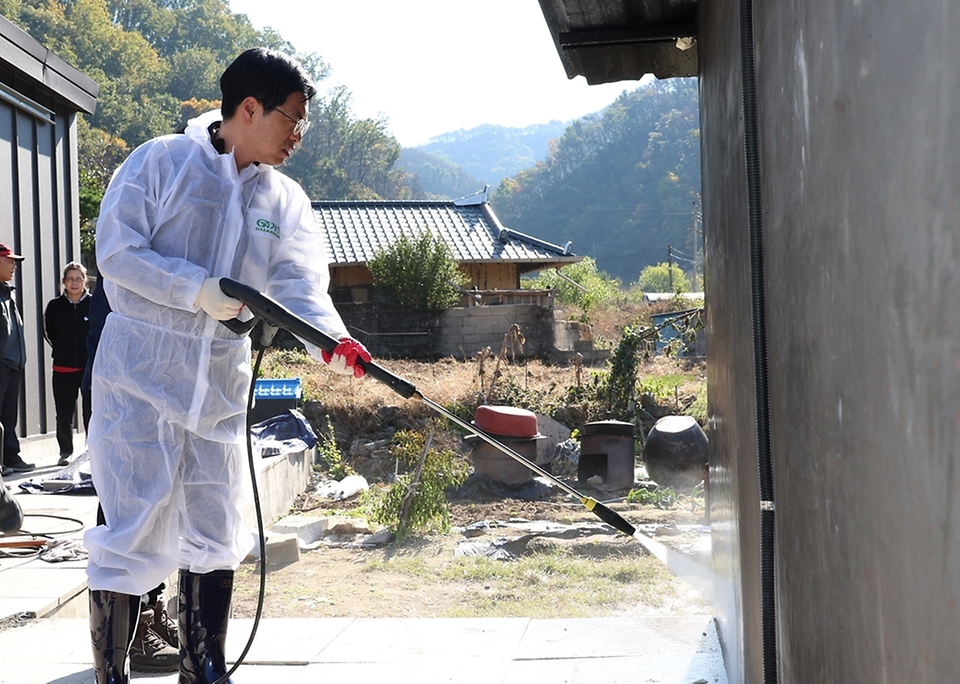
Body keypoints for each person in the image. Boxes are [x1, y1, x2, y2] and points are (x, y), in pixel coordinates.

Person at [83, 48, 370, 684]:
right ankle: (111, 675)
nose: (298, 135)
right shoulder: (161, 163)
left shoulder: (283, 200)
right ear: (249, 108)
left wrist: (335, 340)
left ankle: (204, 668)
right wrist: (196, 289)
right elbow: (119, 253)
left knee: (215, 527)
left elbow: (299, 285)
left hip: (217, 387)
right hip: (140, 380)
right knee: (130, 526)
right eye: (292, 119)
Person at [43, 262, 92, 466]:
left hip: (89, 368)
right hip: (63, 368)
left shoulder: (93, 304)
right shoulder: (55, 306)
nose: (74, 283)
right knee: (64, 414)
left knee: (91, 412)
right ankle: (66, 452)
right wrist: (61, 349)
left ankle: (92, 452)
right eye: (70, 279)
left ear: (85, 281)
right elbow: (49, 332)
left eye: (78, 279)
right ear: (63, 282)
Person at [0, 243, 33, 476]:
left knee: (9, 416)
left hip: (12, 364)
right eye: (10, 260)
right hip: (2, 363)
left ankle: (10, 456)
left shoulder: (7, 293)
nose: (14, 266)